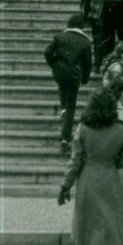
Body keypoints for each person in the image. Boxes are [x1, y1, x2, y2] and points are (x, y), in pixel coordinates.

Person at [57, 89, 123, 245]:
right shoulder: (120, 129)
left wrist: (65, 186)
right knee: (102, 232)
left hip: (87, 180)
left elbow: (75, 160)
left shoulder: (84, 127)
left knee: (88, 229)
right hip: (109, 179)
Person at [44, 14, 94, 149]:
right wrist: (85, 78)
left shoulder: (59, 37)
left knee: (62, 87)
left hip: (59, 71)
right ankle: (65, 140)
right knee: (72, 104)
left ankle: (63, 109)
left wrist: (53, 64)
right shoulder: (85, 42)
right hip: (74, 75)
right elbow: (88, 64)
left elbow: (47, 52)